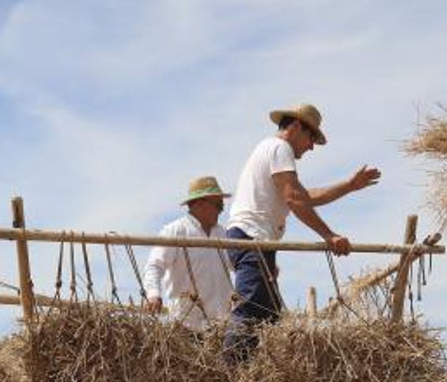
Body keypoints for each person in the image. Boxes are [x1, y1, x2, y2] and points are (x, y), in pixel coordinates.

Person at [223, 103, 380, 358]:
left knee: (269, 315)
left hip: (255, 240)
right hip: (252, 239)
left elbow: (304, 196)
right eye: (311, 137)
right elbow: (295, 199)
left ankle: (248, 374)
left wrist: (349, 186)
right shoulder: (279, 147)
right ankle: (230, 377)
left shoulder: (270, 150)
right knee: (249, 312)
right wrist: (329, 235)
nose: (311, 146)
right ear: (296, 126)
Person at [141, 176, 234, 330]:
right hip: (186, 326)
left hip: (221, 329)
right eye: (218, 205)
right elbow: (155, 266)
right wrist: (153, 294)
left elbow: (238, 264)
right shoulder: (176, 231)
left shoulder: (224, 235)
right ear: (199, 204)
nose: (221, 210)